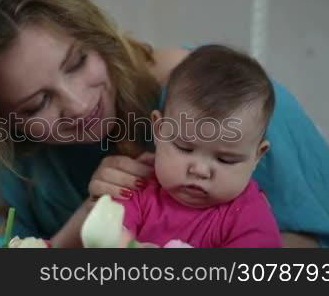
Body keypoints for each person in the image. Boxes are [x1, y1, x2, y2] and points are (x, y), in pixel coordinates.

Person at [0, 0, 329, 247]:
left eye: (78, 62)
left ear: (98, 38)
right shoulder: (6, 161)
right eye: (37, 104)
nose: (79, 104)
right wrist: (84, 226)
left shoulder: (224, 100)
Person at [117, 45, 282, 248]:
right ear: (159, 131)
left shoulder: (250, 216)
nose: (200, 170)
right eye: (184, 148)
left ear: (257, 157)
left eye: (225, 159)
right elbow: (109, 232)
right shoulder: (139, 189)